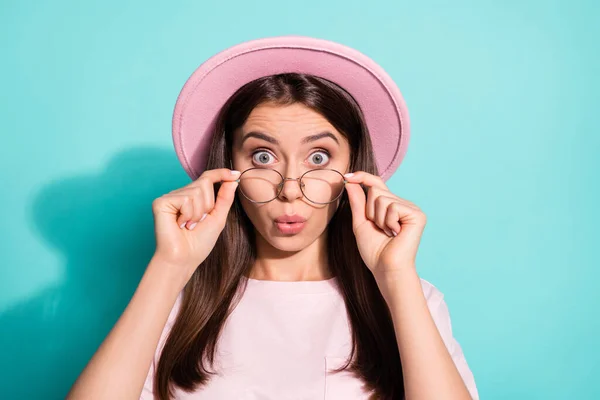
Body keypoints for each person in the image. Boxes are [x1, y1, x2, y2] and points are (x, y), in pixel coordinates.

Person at [67, 36, 479, 400]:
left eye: (319, 158)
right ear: (228, 167)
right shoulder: (175, 300)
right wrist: (169, 266)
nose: (288, 188)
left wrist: (396, 278)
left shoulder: (408, 297)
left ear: (354, 172)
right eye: (262, 157)